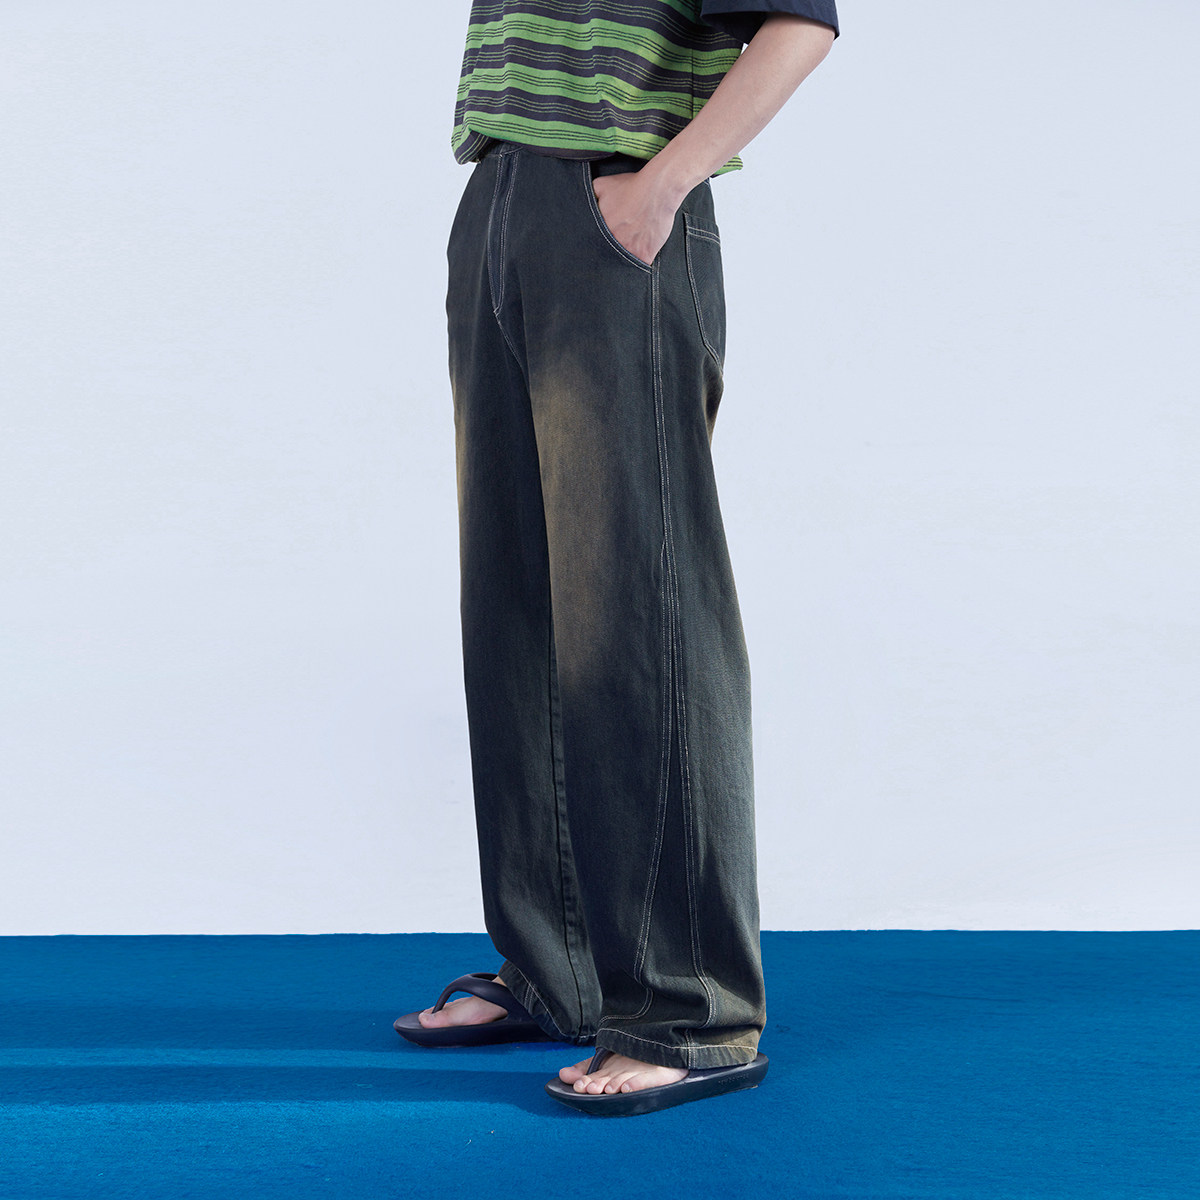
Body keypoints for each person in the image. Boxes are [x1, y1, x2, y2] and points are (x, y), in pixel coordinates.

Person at [394, 0, 840, 1117]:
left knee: (637, 612)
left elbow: (801, 21)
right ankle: (561, 969)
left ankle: (690, 1012)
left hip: (619, 200)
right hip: (502, 193)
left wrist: (662, 185)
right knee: (517, 602)